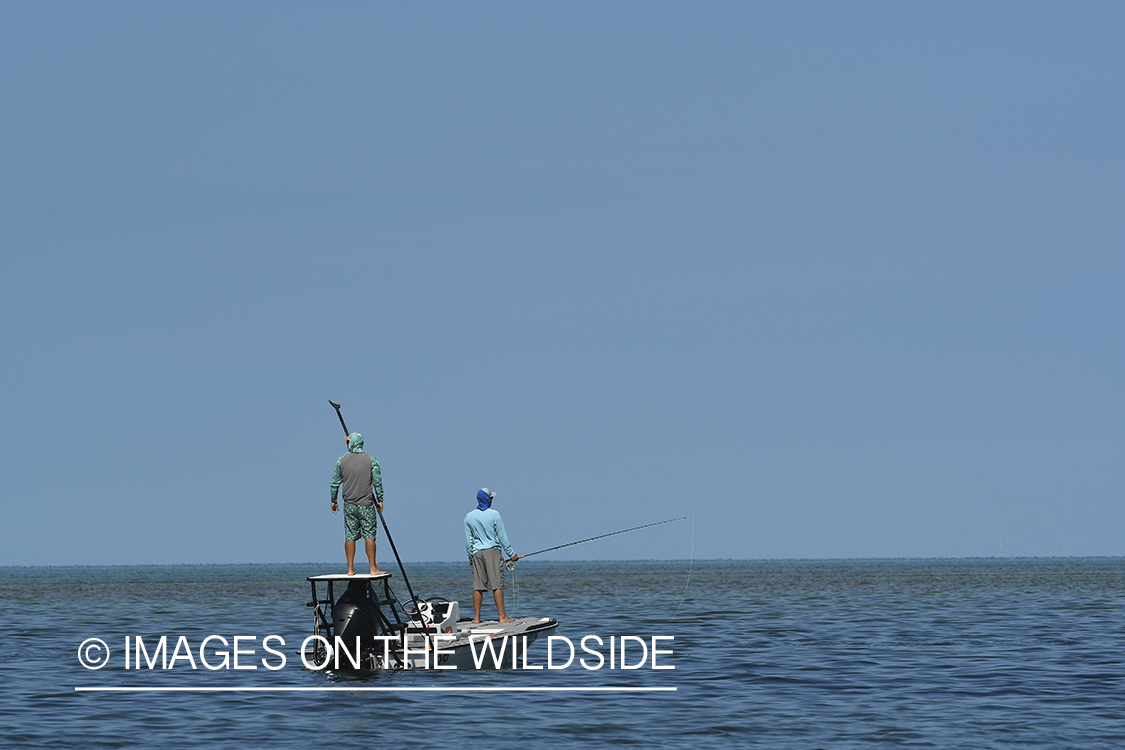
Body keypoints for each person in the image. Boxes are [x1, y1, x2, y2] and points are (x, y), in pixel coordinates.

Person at [329, 432, 386, 576]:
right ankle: (373, 568)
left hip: (349, 504)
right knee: (370, 535)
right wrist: (380, 500)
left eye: (348, 442)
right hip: (366, 504)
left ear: (352, 443)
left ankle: (350, 569)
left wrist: (333, 501)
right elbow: (378, 482)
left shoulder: (341, 460)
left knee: (350, 536)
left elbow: (334, 483)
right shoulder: (371, 459)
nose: (347, 444)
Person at [464, 487, 520, 623]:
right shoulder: (494, 514)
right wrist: (512, 554)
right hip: (493, 552)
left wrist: (470, 557)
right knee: (497, 585)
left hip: (477, 553)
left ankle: (476, 618)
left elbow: (468, 540)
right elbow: (502, 537)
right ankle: (502, 617)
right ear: (488, 499)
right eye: (491, 498)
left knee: (478, 586)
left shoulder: (469, 516)